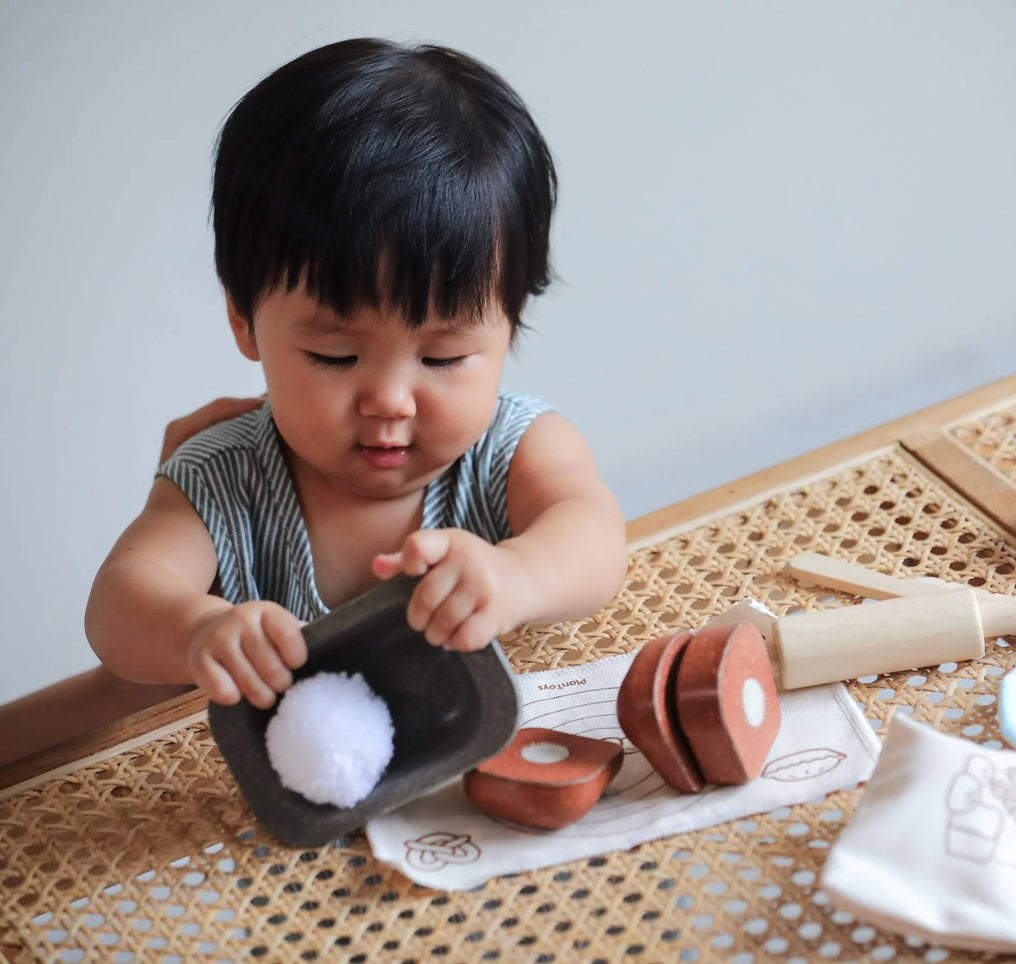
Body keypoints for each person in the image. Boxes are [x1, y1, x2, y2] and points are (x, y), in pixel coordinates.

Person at [85, 39, 628, 711]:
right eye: (335, 356)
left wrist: (517, 575)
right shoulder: (225, 477)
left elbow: (594, 535)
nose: (389, 401)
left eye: (443, 357)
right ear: (243, 318)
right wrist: (200, 629)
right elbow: (118, 602)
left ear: (510, 323)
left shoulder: (514, 450)